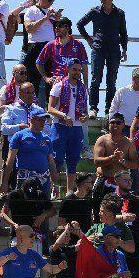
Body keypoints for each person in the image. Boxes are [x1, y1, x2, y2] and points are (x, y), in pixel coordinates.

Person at [78, 0, 129, 117]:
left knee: (111, 81)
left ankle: (108, 110)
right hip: (98, 49)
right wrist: (89, 39)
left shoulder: (119, 13)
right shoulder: (94, 11)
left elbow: (123, 33)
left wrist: (124, 49)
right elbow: (80, 24)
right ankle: (93, 108)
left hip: (114, 50)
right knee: (95, 79)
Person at [47, 59, 88, 189]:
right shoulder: (59, 86)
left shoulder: (83, 89)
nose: (77, 72)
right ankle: (53, 188)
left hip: (76, 128)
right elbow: (50, 108)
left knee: (73, 160)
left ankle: (70, 191)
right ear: (67, 69)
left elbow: (85, 111)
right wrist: (64, 116)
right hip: (60, 126)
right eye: (74, 69)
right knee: (57, 159)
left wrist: (85, 117)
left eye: (79, 70)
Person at [1, 109, 57, 197]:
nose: (42, 123)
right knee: (25, 207)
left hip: (43, 180)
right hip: (25, 179)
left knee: (45, 208)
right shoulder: (19, 136)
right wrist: (5, 183)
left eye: (44, 120)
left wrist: (55, 184)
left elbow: (51, 162)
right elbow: (10, 161)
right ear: (31, 119)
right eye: (40, 120)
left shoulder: (47, 138)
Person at [18, 0, 60, 93]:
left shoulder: (52, 11)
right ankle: (31, 105)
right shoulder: (32, 10)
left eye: (53, 0)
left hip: (51, 47)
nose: (51, 3)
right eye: (49, 0)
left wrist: (58, 20)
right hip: (36, 46)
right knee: (33, 79)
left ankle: (49, 106)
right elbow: (29, 28)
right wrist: (45, 18)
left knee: (51, 78)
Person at [91, 112, 139, 196]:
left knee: (123, 208)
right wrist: (112, 157)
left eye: (118, 123)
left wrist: (123, 162)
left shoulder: (129, 142)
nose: (115, 125)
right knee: (98, 208)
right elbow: (97, 161)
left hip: (122, 183)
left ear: (123, 125)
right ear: (108, 124)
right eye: (112, 122)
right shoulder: (102, 140)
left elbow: (135, 164)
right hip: (104, 180)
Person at [37, 17, 89, 97]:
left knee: (74, 108)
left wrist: (85, 86)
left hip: (74, 82)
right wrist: (46, 78)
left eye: (60, 26)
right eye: (55, 26)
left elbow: (84, 66)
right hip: (57, 82)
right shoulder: (51, 45)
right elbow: (39, 63)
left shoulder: (78, 45)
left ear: (67, 28)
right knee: (54, 108)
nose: (56, 28)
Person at [109, 68, 139, 134]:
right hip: (121, 129)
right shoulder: (122, 91)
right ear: (134, 78)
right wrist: (113, 126)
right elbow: (113, 109)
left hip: (138, 130)